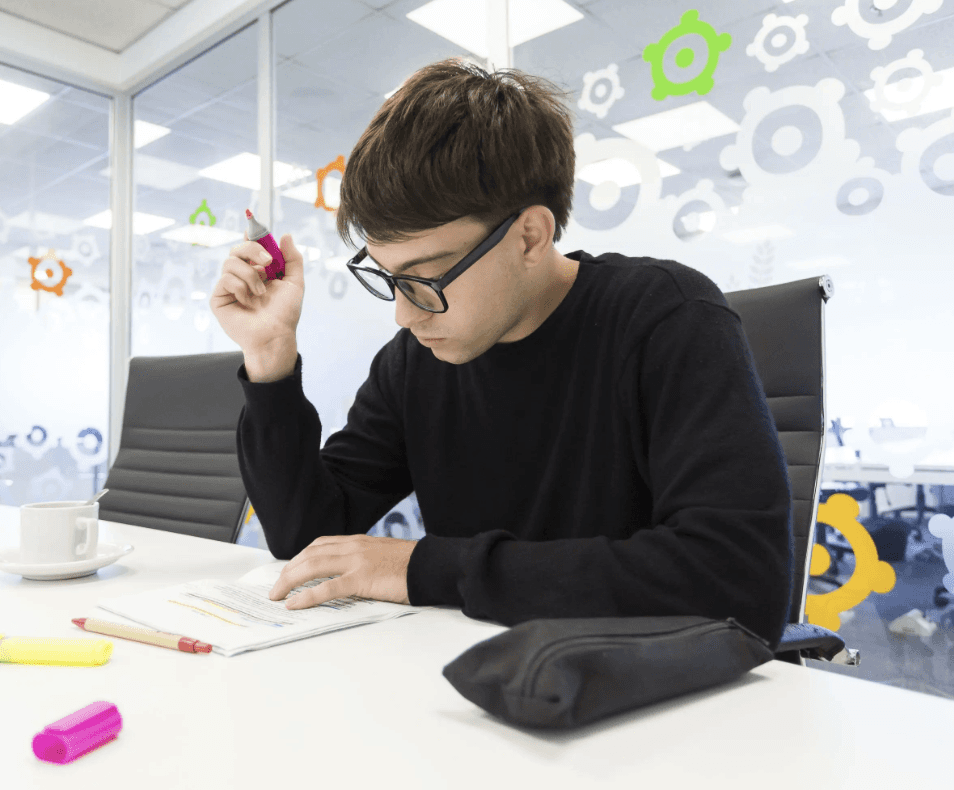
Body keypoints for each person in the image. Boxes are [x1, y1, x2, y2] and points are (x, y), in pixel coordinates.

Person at [209, 59, 793, 648]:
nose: (405, 315)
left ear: (530, 237)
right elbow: (306, 533)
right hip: (481, 681)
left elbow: (738, 580)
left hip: (644, 696)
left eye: (424, 278)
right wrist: (270, 355)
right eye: (388, 278)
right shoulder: (415, 360)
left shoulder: (666, 318)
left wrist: (426, 569)